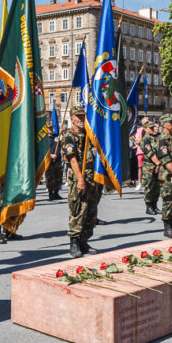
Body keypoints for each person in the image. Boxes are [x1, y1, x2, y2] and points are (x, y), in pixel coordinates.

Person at [59, 106, 101, 257]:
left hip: (92, 178)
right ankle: (74, 242)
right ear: (72, 119)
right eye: (78, 117)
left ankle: (84, 241)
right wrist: (80, 180)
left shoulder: (89, 135)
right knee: (78, 211)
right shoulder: (69, 137)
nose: (82, 119)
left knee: (91, 212)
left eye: (83, 116)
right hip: (79, 178)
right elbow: (73, 160)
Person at [141, 119, 161, 215]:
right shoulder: (146, 139)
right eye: (150, 128)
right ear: (145, 129)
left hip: (157, 164)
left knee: (156, 186)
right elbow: (150, 153)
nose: (153, 129)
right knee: (149, 185)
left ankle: (155, 205)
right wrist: (157, 163)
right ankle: (148, 207)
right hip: (149, 165)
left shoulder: (155, 138)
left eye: (153, 127)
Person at [44, 125, 64, 200]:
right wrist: (50, 155)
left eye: (52, 127)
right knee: (50, 178)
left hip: (58, 160)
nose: (51, 129)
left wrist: (61, 134)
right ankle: (50, 193)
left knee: (58, 177)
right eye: (49, 128)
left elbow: (62, 143)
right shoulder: (45, 139)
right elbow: (43, 150)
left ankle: (56, 193)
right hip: (49, 161)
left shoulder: (57, 137)